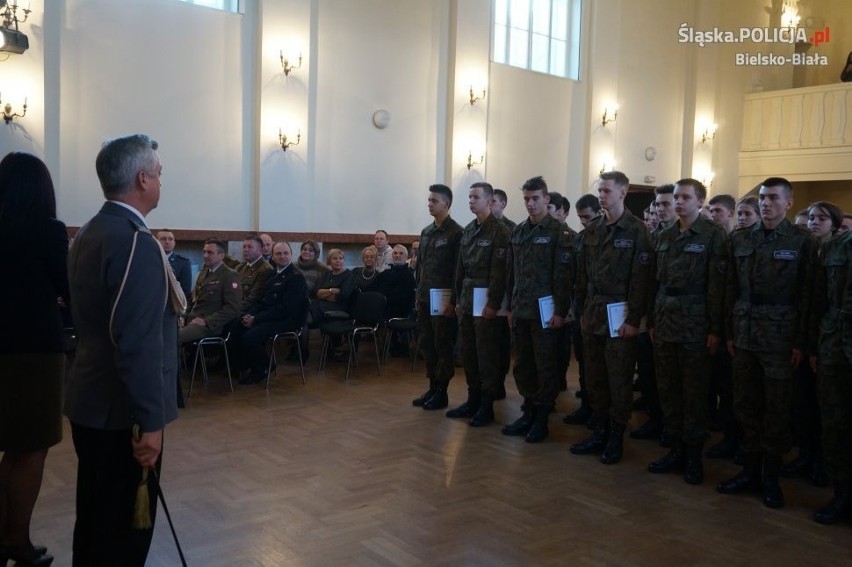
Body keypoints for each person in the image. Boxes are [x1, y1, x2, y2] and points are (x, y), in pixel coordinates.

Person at [66, 134, 184, 566]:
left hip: (90, 400)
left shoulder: (91, 231)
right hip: (123, 414)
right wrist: (150, 421)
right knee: (123, 535)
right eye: (158, 174)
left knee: (95, 520)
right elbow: (136, 343)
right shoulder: (136, 241)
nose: (160, 181)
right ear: (142, 178)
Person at [717, 177, 818, 509]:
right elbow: (730, 288)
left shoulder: (803, 242)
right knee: (746, 406)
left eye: (773, 198)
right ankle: (749, 472)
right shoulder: (741, 239)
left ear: (788, 203)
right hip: (744, 333)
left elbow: (808, 296)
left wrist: (802, 341)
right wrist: (730, 333)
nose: (765, 203)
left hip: (781, 337)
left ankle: (771, 478)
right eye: (762, 198)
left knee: (776, 411)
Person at [0, 153, 69, 567]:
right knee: (31, 449)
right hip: (35, 350)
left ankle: (3, 537)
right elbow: (66, 285)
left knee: (8, 446)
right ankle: (17, 540)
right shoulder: (47, 231)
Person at [646, 179, 730, 485]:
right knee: (668, 390)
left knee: (693, 393)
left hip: (696, 324)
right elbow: (656, 282)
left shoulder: (713, 235)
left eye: (685, 197)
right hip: (666, 320)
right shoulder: (664, 235)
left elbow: (718, 287)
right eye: (675, 198)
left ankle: (694, 457)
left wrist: (715, 328)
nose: (679, 202)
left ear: (700, 201)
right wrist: (653, 321)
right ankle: (675, 450)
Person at [571, 171, 653, 464]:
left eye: (607, 191)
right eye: (600, 191)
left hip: (620, 314)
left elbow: (641, 280)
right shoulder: (593, 230)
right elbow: (582, 276)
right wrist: (580, 310)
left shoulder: (637, 230)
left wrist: (634, 319)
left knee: (618, 379)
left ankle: (617, 435)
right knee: (595, 378)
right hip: (593, 313)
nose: (602, 195)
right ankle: (600, 429)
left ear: (623, 192)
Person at [503, 176, 574, 443]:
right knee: (524, 365)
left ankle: (542, 417)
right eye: (526, 199)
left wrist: (560, 312)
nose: (530, 204)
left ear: (547, 199)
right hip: (521, 310)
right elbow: (512, 273)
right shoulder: (519, 231)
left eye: (535, 199)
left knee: (545, 365)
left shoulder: (559, 233)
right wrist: (509, 306)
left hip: (546, 313)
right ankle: (529, 410)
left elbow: (564, 278)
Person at [781, 201, 844, 486]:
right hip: (799, 335)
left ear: (834, 224)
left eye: (822, 218)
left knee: (826, 409)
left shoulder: (840, 252)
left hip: (829, 339)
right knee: (802, 402)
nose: (814, 223)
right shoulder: (804, 250)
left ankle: (822, 462)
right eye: (811, 218)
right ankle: (806, 455)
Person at [447, 182, 511, 427]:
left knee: (487, 355)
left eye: (476, 197)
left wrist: (494, 304)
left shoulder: (500, 231)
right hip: (468, 297)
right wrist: (457, 299)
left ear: (489, 201)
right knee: (469, 353)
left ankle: (487, 405)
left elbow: (500, 273)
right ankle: (472, 399)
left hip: (486, 300)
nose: (471, 201)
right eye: (469, 197)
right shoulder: (469, 230)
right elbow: (460, 269)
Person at [809, 227, 852, 523]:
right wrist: (812, 344)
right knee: (835, 423)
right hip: (835, 344)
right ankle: (842, 495)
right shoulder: (838, 245)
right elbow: (817, 298)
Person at [411, 184, 462, 411]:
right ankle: (432, 387)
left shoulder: (456, 233)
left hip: (443, 298)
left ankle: (442, 391)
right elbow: (420, 266)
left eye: (434, 201)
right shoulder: (427, 231)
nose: (429, 204)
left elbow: (457, 271)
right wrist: (418, 293)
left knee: (442, 345)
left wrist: (454, 301)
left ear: (446, 204)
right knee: (427, 344)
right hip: (424, 297)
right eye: (429, 200)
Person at [229, 241, 309, 384]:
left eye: (286, 253)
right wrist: (249, 315)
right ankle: (241, 365)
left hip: (286, 320)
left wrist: (256, 319)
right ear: (272, 256)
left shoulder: (296, 277)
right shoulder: (272, 274)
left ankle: (263, 367)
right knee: (236, 325)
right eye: (278, 253)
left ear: (291, 255)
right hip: (269, 316)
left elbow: (285, 309)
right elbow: (262, 301)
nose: (282, 256)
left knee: (250, 337)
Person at [563, 194, 601, 427]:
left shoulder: (604, 236)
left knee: (598, 366)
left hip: (599, 308)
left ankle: (598, 411)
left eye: (587, 217)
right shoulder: (580, 239)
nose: (584, 222)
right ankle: (586, 404)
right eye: (580, 218)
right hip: (580, 307)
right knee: (584, 360)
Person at [179, 238, 242, 344]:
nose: (205, 256)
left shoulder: (229, 275)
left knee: (174, 338)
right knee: (165, 331)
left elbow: (232, 308)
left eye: (210, 252)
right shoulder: (203, 273)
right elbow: (193, 300)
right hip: (192, 320)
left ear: (221, 255)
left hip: (211, 325)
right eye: (204, 252)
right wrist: (183, 316)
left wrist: (206, 321)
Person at [312, 248, 354, 321]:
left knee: (311, 308)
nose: (338, 261)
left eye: (341, 258)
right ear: (329, 261)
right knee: (309, 304)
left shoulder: (348, 275)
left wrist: (323, 294)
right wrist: (332, 290)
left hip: (339, 307)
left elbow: (343, 296)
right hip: (322, 304)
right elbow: (316, 293)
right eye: (335, 258)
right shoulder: (326, 274)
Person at [235, 234, 273, 312]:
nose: (245, 250)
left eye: (250, 247)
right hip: (235, 307)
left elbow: (254, 298)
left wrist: (232, 310)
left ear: (260, 250)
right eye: (244, 247)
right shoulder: (240, 267)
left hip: (249, 311)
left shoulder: (265, 269)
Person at [157, 229, 192, 299]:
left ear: (174, 243)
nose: (167, 242)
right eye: (163, 239)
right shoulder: (151, 260)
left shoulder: (183, 263)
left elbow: (185, 291)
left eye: (170, 239)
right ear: (156, 242)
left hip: (173, 304)